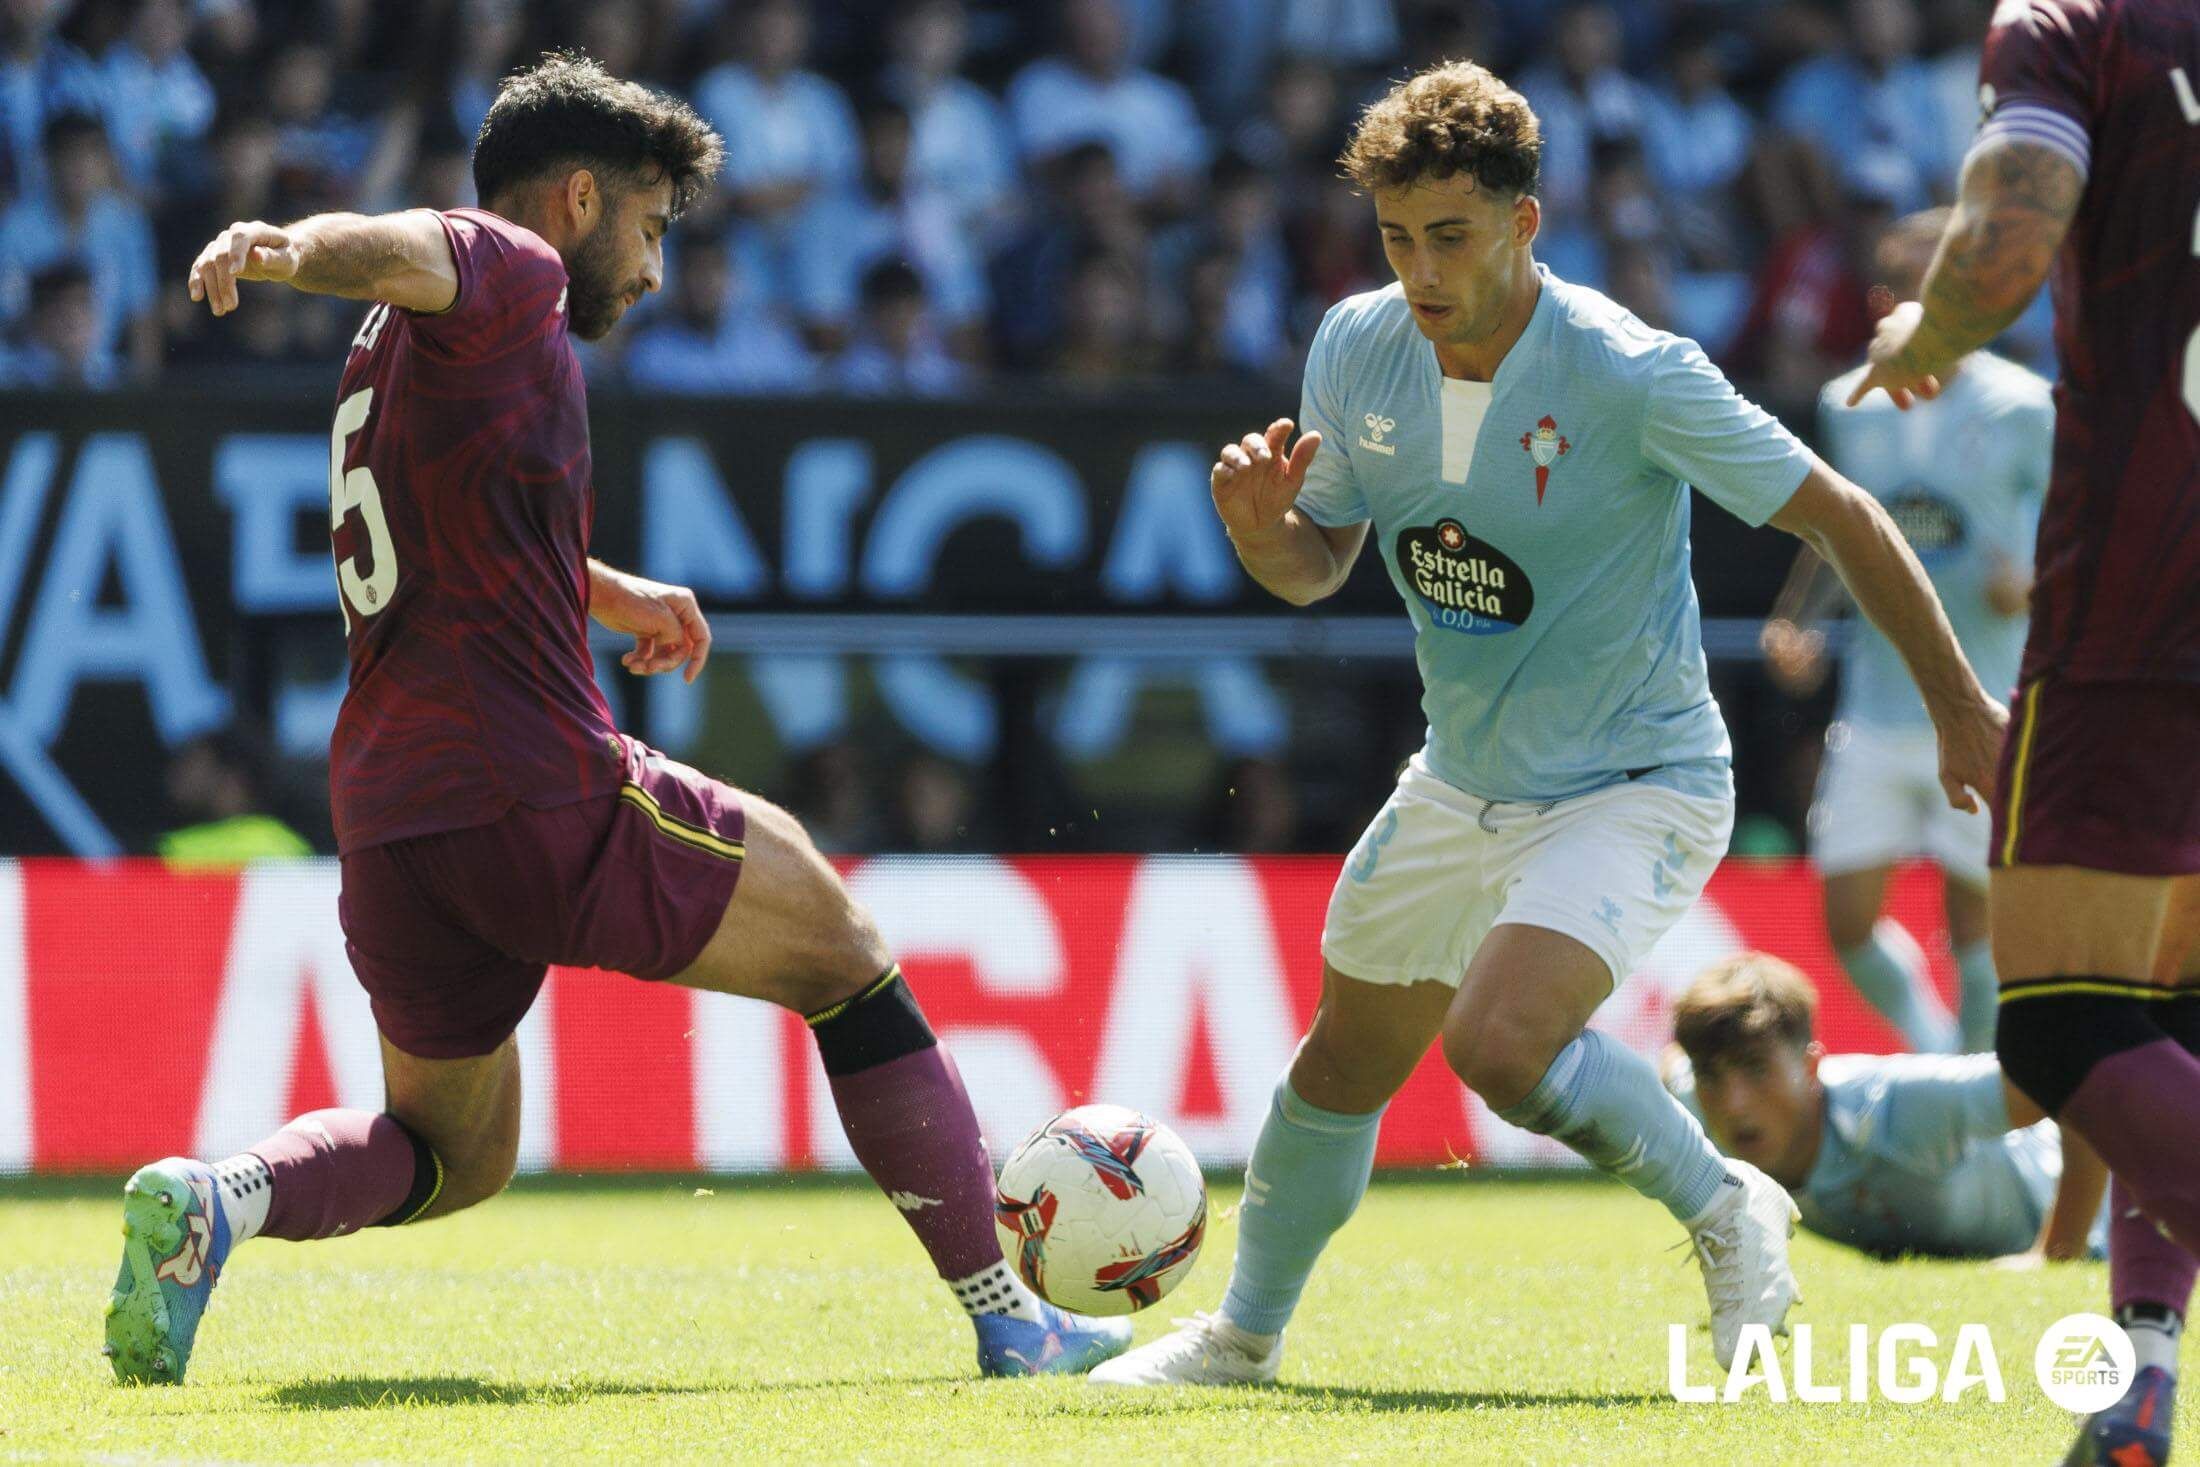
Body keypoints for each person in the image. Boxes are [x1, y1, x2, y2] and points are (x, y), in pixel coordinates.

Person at [105, 52, 1127, 1388]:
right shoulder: (509, 266)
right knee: (848, 952)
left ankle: (214, 1198)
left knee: (457, 1153)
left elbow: (452, 531)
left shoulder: (401, 350)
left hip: (396, 817)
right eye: (648, 228)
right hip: (534, 783)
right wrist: (286, 244)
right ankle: (1013, 1317)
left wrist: (605, 584)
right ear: (578, 199)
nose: (649, 269)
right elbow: (418, 237)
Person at [1091, 59, 2004, 1389]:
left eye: (1450, 235)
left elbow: (1842, 516)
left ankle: (1729, 1204)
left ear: (1528, 220)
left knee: (1499, 1043)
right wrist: (1262, 535)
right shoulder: (1357, 344)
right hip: (1463, 778)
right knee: (1338, 1064)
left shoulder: (1633, 371)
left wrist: (1961, 703)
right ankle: (1243, 1335)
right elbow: (1320, 560)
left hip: (1638, 777)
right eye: (1398, 236)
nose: (1421, 269)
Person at [1849, 3, 2200, 1461]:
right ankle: (2142, 1386)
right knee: (2170, 1013)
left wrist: (1929, 325)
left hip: (2143, 589)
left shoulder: (2078, 23)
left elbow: (2013, 225)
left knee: (2061, 1018)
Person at [1761, 207, 2050, 1056]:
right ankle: (1938, 1059)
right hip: (1879, 702)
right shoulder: (1849, 403)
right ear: (1883, 298)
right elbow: (1839, 529)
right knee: (1846, 915)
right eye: (1906, 282)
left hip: (1987, 699)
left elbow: (2079, 534)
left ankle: (1977, 1096)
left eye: (1943, 278)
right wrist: (1799, 621)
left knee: (1977, 919)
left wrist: (2030, 584)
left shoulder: (2024, 405)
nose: (1922, 296)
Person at [1663, 952, 2106, 1261]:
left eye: (1756, 1069)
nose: (1733, 1103)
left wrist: (2056, 1255)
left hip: (2109, 1223)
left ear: (1811, 1065)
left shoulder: (1903, 1104)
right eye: (1711, 1075)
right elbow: (1670, 1070)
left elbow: (2082, 1084)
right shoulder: (1695, 1105)